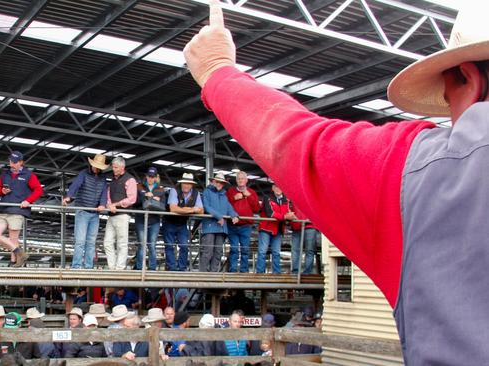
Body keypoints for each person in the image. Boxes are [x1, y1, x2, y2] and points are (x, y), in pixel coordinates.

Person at [184, 2, 489, 363]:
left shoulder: (419, 170)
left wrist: (218, 70)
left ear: (469, 80)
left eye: (446, 96)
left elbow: (298, 143)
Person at [0, 151, 42, 267]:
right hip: (3, 209)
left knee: (13, 238)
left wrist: (28, 201)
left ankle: (14, 262)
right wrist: (1, 191)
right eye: (10, 162)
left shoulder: (29, 175)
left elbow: (38, 190)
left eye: (15, 162)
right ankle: (19, 253)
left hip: (18, 210)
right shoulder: (5, 174)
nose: (12, 164)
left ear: (21, 162)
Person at [64, 153, 109, 269]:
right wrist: (69, 196)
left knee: (91, 242)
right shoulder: (84, 173)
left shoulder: (103, 179)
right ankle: (76, 266)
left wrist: (103, 204)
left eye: (99, 167)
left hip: (95, 213)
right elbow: (75, 185)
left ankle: (88, 266)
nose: (97, 168)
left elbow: (104, 193)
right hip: (83, 210)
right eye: (96, 166)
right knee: (80, 241)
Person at [162, 173, 204, 271]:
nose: (186, 185)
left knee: (184, 246)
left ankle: (182, 268)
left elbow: (201, 210)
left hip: (182, 224)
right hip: (169, 222)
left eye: (188, 184)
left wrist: (181, 209)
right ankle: (172, 268)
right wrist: (191, 209)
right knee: (169, 245)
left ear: (192, 185)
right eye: (184, 183)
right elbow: (173, 208)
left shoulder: (196, 193)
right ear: (181, 183)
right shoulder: (174, 190)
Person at [103, 156, 137, 270]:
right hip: (111, 215)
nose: (113, 169)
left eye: (116, 167)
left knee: (122, 243)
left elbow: (132, 199)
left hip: (123, 215)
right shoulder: (113, 180)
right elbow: (108, 196)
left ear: (122, 167)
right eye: (113, 167)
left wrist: (115, 205)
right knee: (107, 242)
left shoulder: (130, 180)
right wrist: (109, 205)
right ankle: (112, 267)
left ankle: (120, 268)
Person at [200, 173, 238, 272]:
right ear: (213, 181)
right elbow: (206, 206)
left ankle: (213, 275)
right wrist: (219, 217)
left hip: (221, 228)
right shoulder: (207, 192)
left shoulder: (224, 196)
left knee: (218, 252)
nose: (219, 184)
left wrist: (234, 215)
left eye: (221, 182)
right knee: (208, 252)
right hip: (210, 227)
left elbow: (229, 208)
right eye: (217, 182)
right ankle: (202, 276)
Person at [226, 170, 260, 273]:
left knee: (245, 250)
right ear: (236, 180)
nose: (240, 180)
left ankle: (244, 271)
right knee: (234, 249)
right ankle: (232, 271)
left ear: (246, 180)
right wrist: (233, 198)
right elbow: (225, 206)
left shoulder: (252, 192)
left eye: (242, 179)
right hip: (232, 225)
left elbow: (257, 208)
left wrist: (249, 196)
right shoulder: (231, 191)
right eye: (239, 179)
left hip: (246, 226)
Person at [133, 166, 166, 271]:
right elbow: (134, 202)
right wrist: (144, 197)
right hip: (140, 219)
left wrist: (157, 202)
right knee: (142, 245)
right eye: (149, 176)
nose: (150, 178)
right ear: (146, 176)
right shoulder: (139, 187)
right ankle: (139, 268)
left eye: (153, 177)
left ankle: (152, 268)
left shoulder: (161, 190)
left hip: (154, 220)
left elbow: (164, 207)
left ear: (156, 177)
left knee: (152, 245)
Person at [256, 182, 291, 274]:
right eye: (276, 186)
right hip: (266, 228)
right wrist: (285, 217)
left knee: (276, 253)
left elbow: (287, 214)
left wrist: (289, 217)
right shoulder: (267, 198)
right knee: (262, 251)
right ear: (273, 188)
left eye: (280, 186)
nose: (278, 188)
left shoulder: (286, 200)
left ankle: (276, 274)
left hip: (278, 230)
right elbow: (270, 213)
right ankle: (260, 274)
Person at [289, 204, 319, 274]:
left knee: (307, 250)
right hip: (298, 225)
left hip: (308, 225)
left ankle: (305, 272)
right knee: (297, 250)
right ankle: (298, 272)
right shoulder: (292, 197)